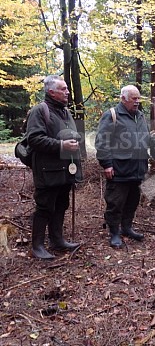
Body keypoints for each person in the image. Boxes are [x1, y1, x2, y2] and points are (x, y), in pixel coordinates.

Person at [27, 75, 82, 259]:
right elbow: (34, 139)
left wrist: (76, 138)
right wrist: (61, 145)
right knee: (44, 207)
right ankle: (37, 246)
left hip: (65, 170)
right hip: (46, 171)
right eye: (63, 89)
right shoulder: (39, 111)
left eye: (67, 89)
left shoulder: (64, 112)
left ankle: (57, 241)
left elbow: (71, 133)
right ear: (51, 92)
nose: (67, 92)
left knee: (61, 205)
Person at [95, 85, 150, 248]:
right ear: (123, 99)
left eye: (138, 98)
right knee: (115, 203)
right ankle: (114, 233)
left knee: (132, 201)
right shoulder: (112, 115)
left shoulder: (140, 116)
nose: (137, 102)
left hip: (138, 169)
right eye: (134, 98)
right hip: (119, 169)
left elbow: (144, 140)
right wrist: (106, 164)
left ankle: (127, 228)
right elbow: (102, 142)